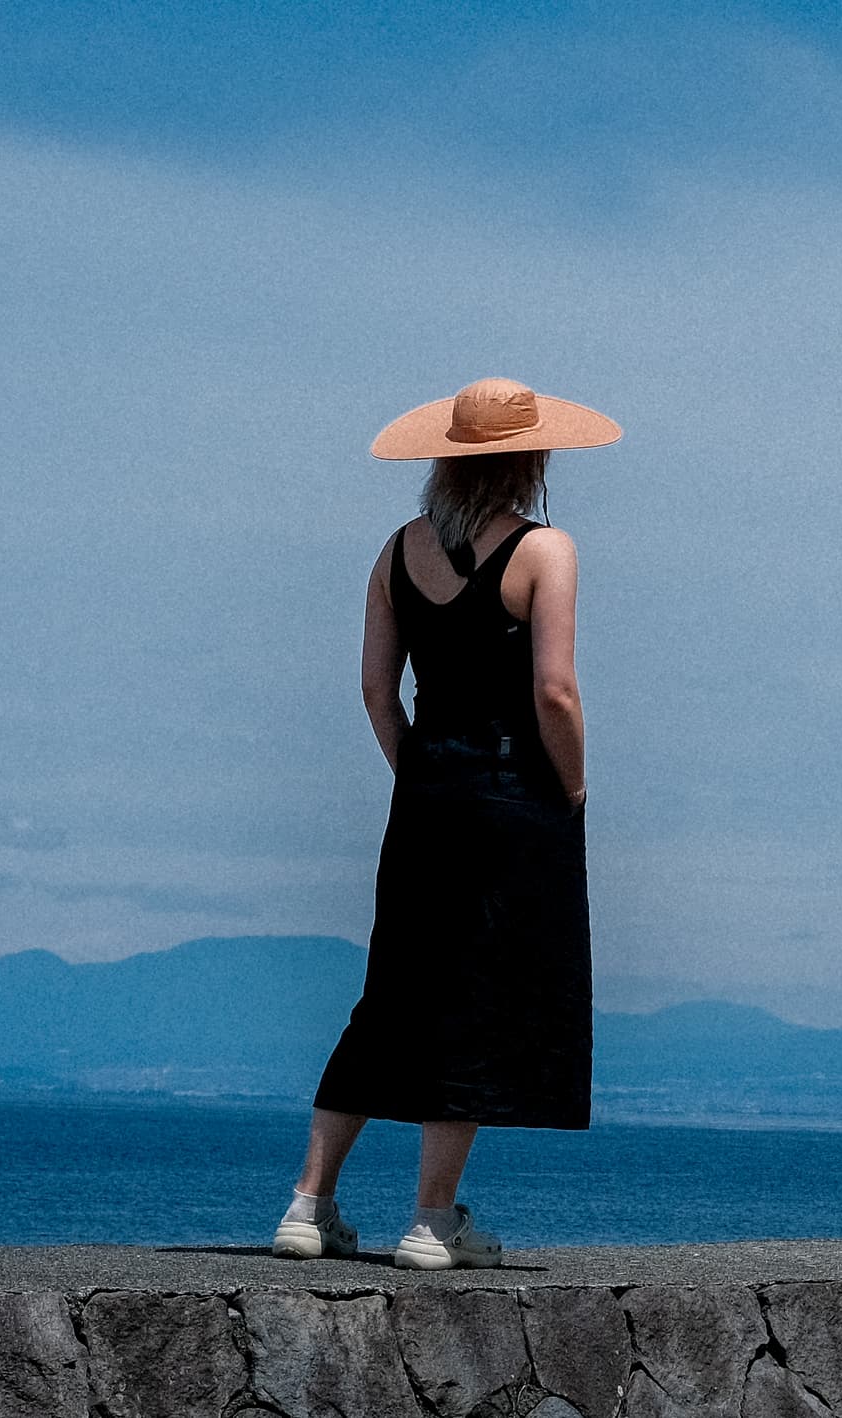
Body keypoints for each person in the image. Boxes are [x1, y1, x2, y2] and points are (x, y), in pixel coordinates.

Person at [275, 377, 616, 1269]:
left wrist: (420, 774)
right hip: (514, 800)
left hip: (424, 798)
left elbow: (376, 692)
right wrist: (571, 791)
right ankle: (431, 1222)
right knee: (478, 997)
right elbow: (555, 692)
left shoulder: (395, 553)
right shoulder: (547, 552)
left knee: (392, 990)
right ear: (533, 459)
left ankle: (308, 1206)